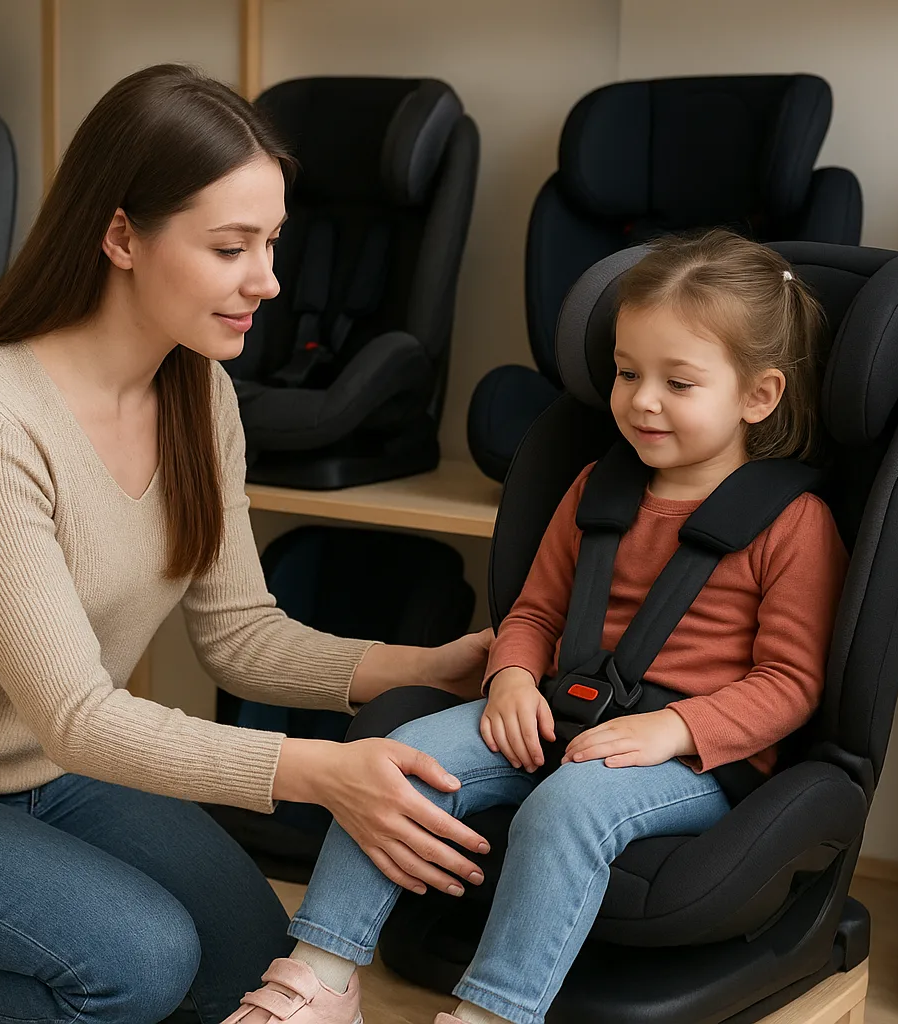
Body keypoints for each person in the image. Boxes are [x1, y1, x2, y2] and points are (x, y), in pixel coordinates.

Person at [0, 64, 495, 1024]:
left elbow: (241, 635)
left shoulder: (200, 393)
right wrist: (318, 775)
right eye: (231, 247)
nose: (268, 281)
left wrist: (429, 667)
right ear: (121, 235)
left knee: (244, 960)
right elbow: (77, 710)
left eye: (272, 243)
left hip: (52, 775)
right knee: (141, 963)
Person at [231, 230, 850, 1024]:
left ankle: (497, 1012)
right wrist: (514, 678)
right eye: (627, 373)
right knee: (395, 762)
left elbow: (791, 683)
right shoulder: (596, 489)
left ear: (757, 396)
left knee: (569, 806)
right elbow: (534, 612)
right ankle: (321, 976)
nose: (642, 399)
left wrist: (673, 730)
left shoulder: (794, 524)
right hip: (559, 710)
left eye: (679, 382)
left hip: (689, 759)